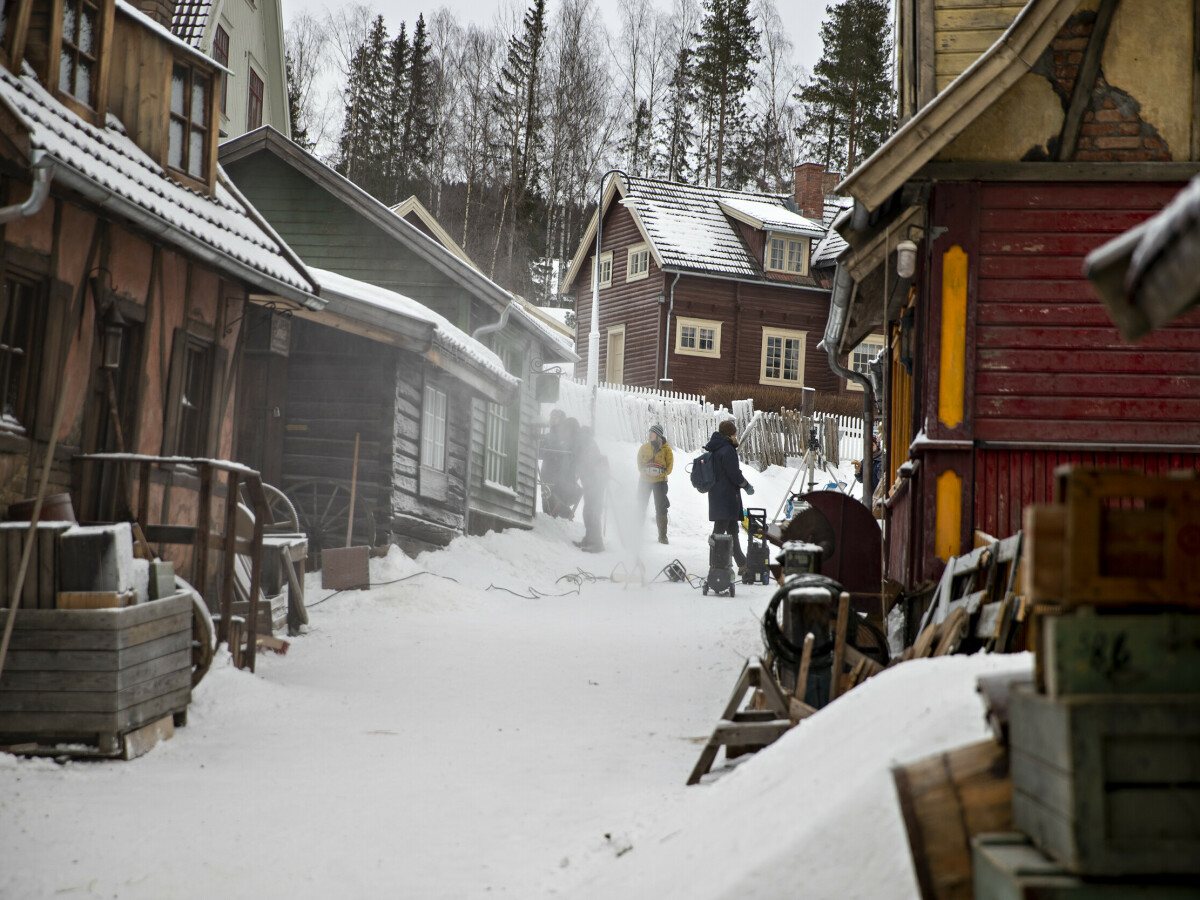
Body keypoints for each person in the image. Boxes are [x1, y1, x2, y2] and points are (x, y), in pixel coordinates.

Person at [704, 419, 754, 574]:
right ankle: (714, 565)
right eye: (734, 433)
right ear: (730, 434)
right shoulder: (727, 450)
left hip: (718, 496)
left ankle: (742, 564)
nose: (735, 436)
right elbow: (734, 473)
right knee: (719, 533)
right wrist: (746, 485)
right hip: (727, 498)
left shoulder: (716, 448)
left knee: (732, 531)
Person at [637, 423, 674, 544]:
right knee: (641, 504)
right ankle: (636, 533)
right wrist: (645, 472)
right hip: (645, 480)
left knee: (661, 506)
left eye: (652, 433)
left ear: (658, 435)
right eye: (649, 432)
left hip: (660, 482)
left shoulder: (666, 450)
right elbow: (639, 462)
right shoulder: (644, 448)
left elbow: (669, 467)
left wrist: (660, 474)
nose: (649, 434)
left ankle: (662, 536)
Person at [574, 426, 608, 552]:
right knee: (588, 512)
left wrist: (579, 472)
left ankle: (597, 544)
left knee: (593, 513)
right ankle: (589, 539)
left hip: (596, 484)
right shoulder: (585, 446)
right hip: (590, 484)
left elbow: (588, 465)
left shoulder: (590, 447)